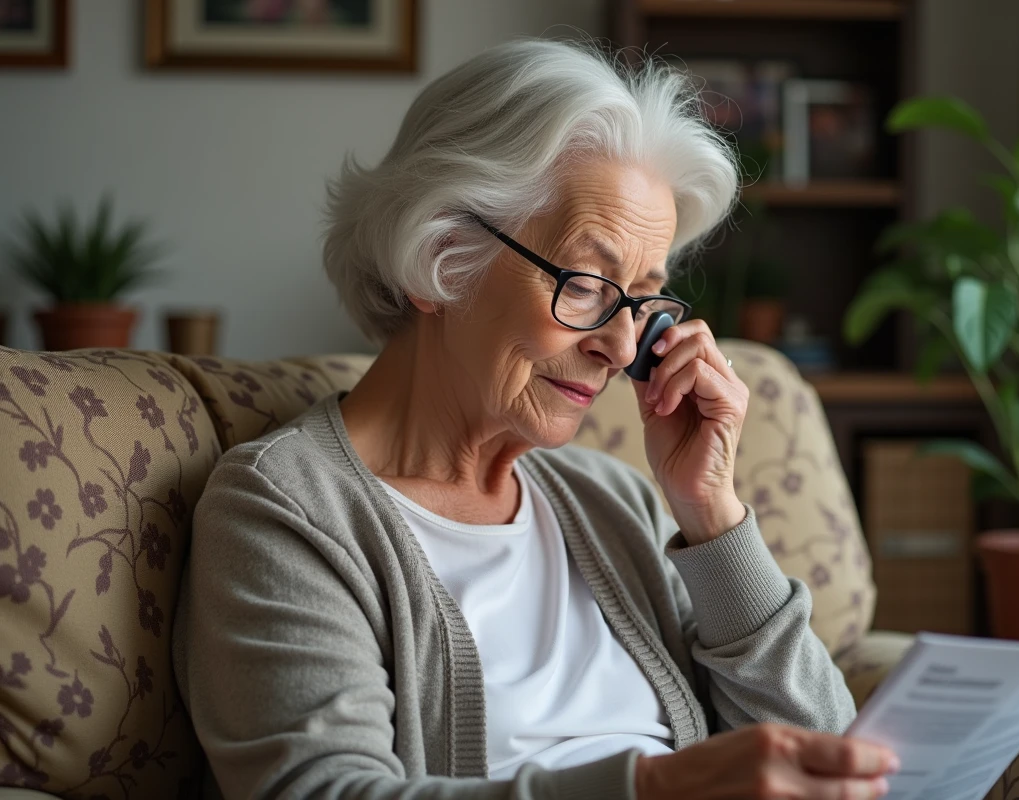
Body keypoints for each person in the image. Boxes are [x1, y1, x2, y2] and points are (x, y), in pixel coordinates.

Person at [172, 37, 900, 800]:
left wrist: (712, 515)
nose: (622, 346)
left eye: (644, 297)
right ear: (441, 256)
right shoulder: (287, 512)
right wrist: (656, 790)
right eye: (586, 284)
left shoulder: (611, 502)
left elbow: (830, 756)